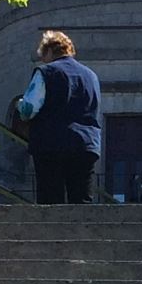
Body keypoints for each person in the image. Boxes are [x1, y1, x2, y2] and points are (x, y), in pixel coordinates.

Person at [10, 29, 103, 204]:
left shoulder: (47, 72)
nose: (43, 60)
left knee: (51, 200)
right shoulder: (91, 76)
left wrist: (19, 104)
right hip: (85, 144)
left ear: (50, 51)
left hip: (50, 144)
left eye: (43, 55)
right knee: (82, 201)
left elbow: (29, 109)